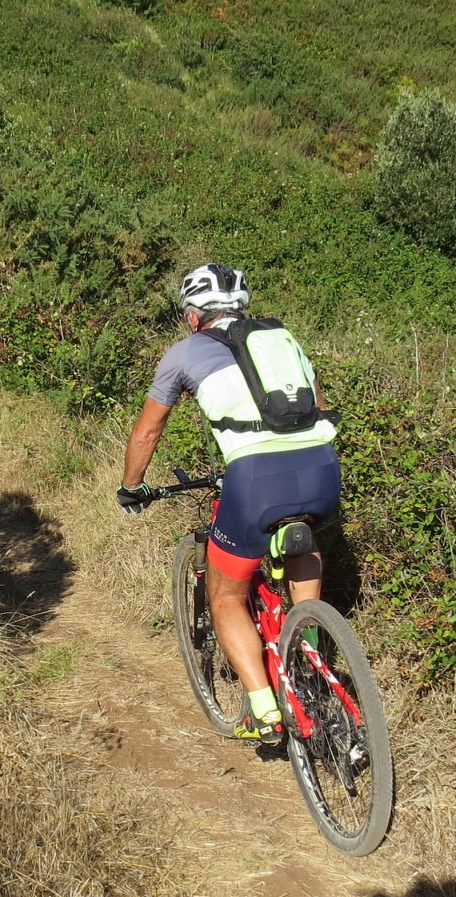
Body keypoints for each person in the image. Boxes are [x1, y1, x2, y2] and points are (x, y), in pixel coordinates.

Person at [117, 263, 341, 742]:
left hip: (256, 479)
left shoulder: (183, 352)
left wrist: (131, 486)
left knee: (225, 596)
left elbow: (148, 431)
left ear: (193, 315)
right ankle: (310, 646)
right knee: (304, 540)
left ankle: (263, 709)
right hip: (322, 468)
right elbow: (318, 408)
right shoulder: (282, 339)